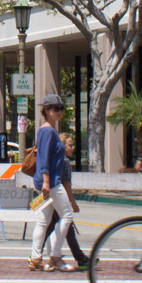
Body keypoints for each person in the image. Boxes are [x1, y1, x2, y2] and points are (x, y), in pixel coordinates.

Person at [27, 97, 81, 272]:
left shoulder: (48, 131)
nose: (58, 111)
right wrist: (47, 181)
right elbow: (43, 157)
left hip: (47, 181)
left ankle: (35, 259)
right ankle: (56, 256)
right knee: (67, 215)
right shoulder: (48, 131)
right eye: (54, 108)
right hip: (51, 182)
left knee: (43, 220)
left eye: (61, 107)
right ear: (46, 110)